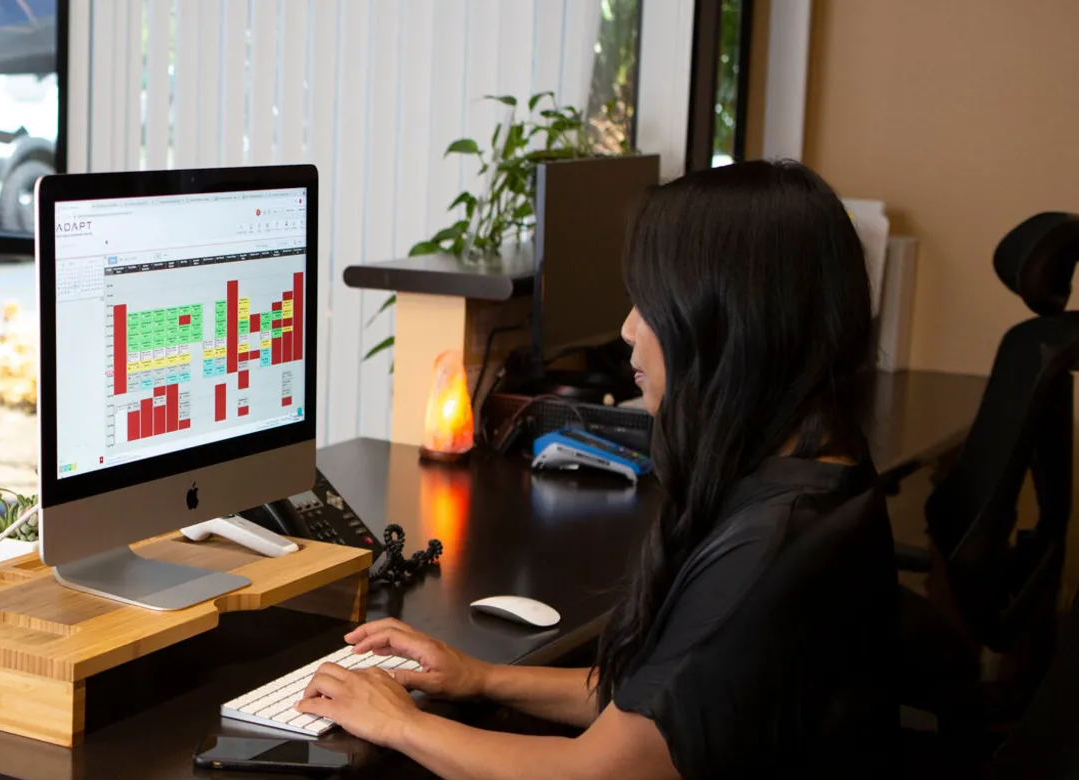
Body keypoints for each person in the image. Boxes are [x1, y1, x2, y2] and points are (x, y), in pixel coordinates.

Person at [295, 160, 895, 779]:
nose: (628, 328)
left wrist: (402, 723)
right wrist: (484, 678)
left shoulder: (767, 544)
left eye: (651, 304)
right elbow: (663, 702)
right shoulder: (821, 466)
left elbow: (603, 770)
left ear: (729, 322)